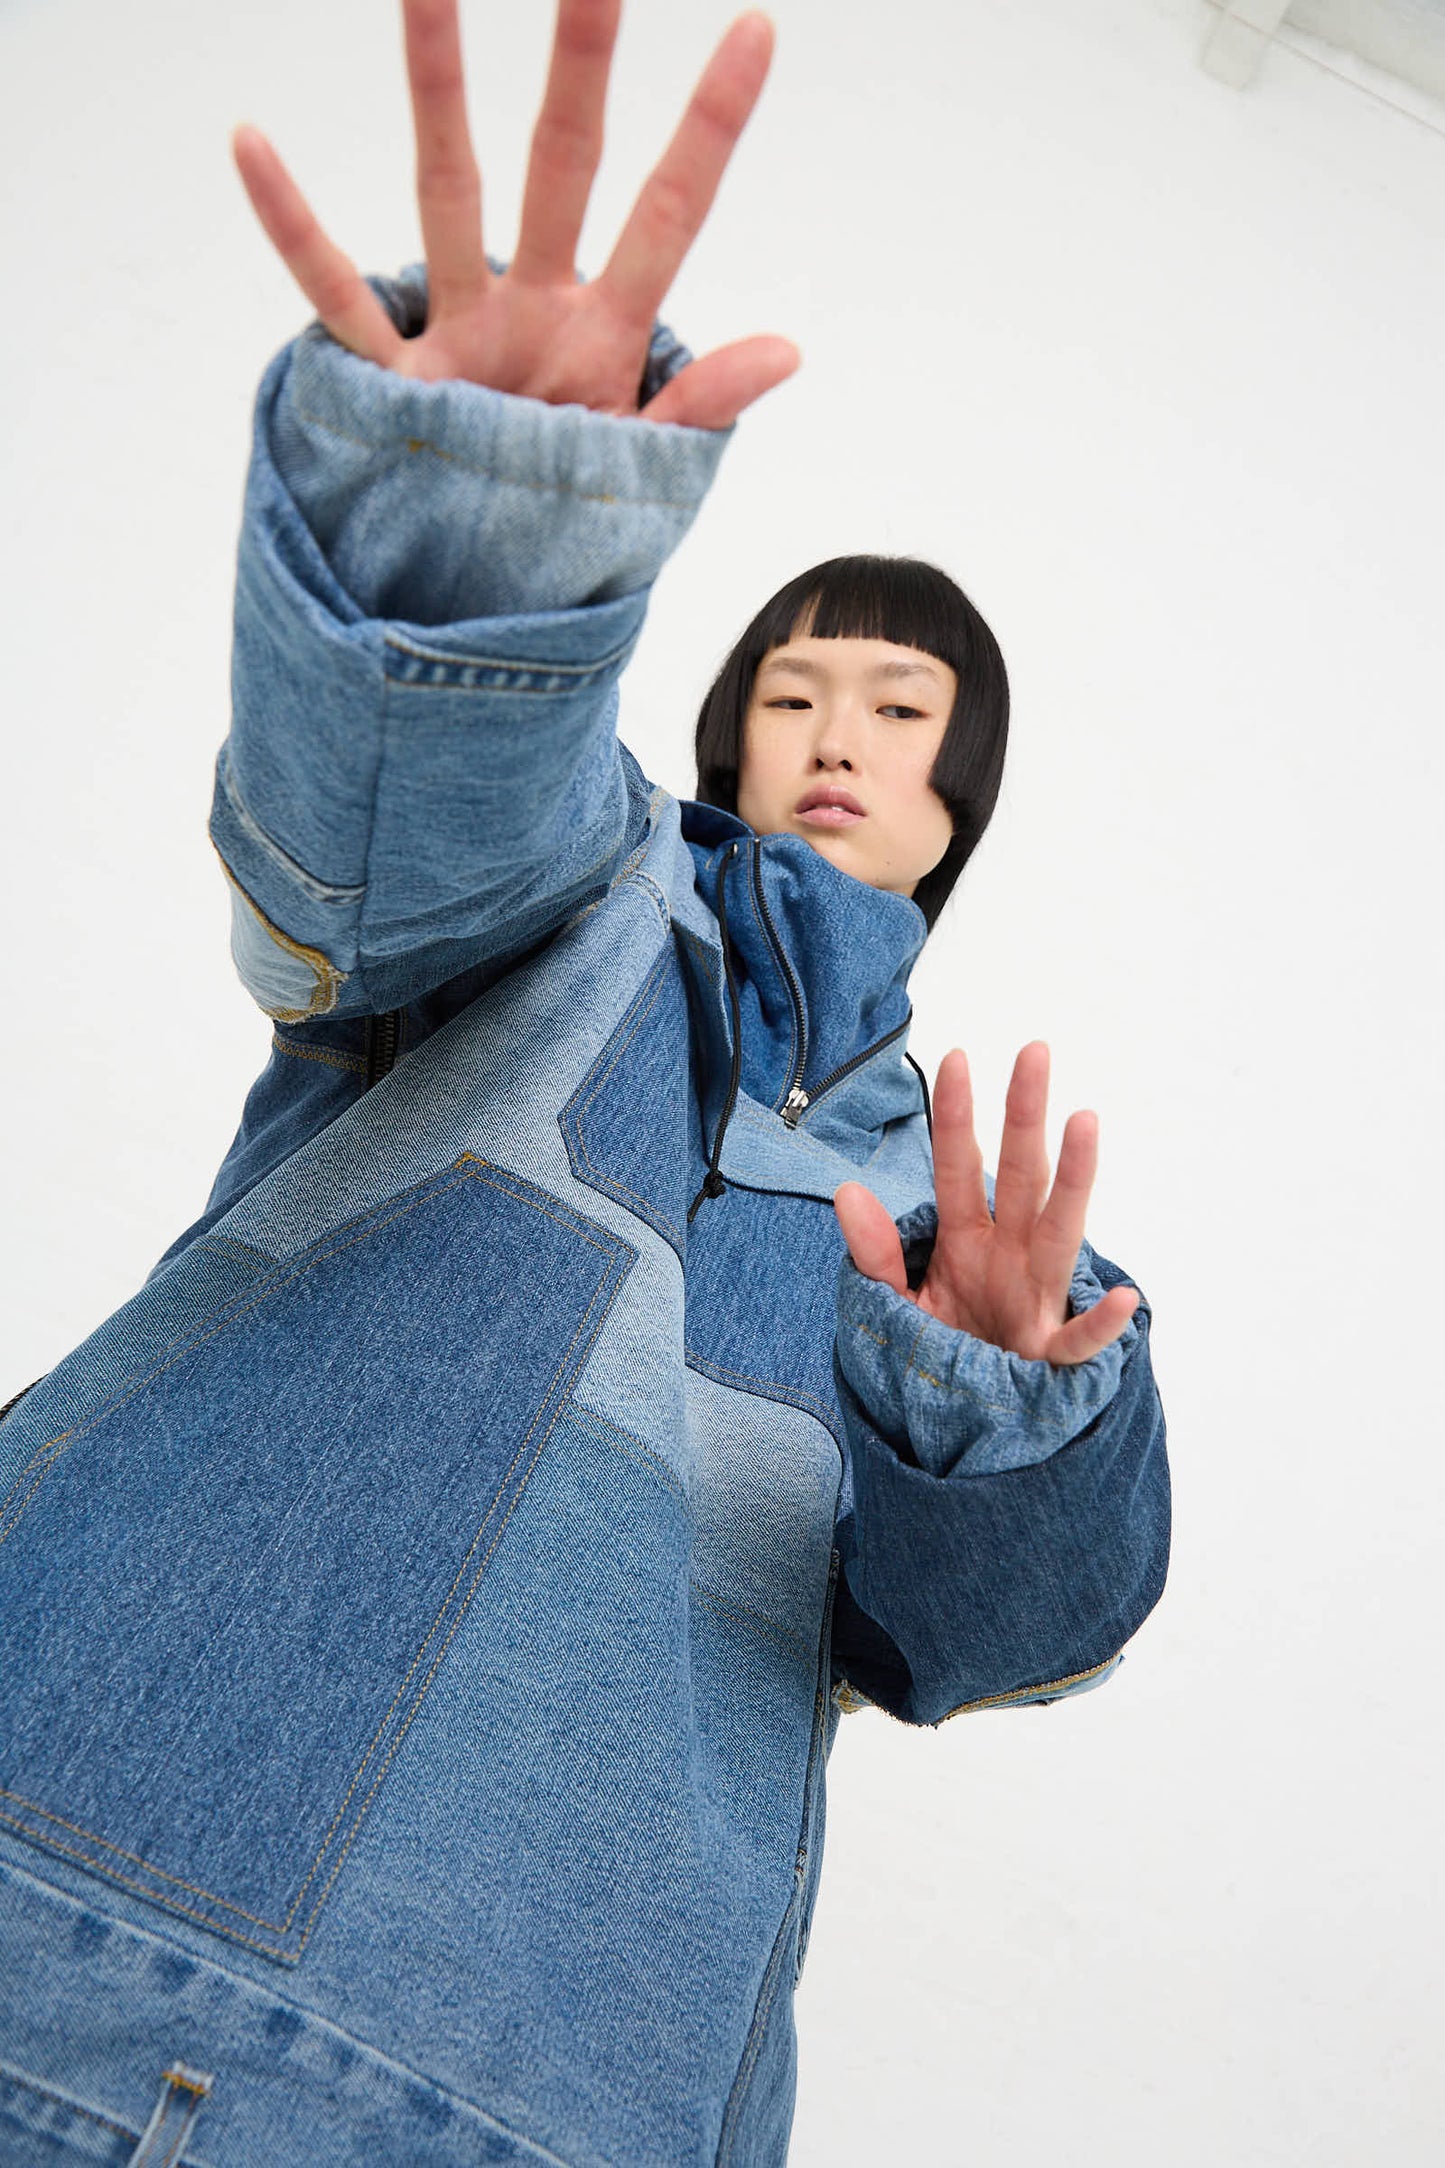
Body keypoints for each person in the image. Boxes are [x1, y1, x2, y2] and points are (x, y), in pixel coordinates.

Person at [0, 2, 1170, 2162]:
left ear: (961, 789)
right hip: (62, 1937)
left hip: (584, 2094)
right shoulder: (570, 891)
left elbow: (1002, 1637)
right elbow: (386, 832)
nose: (837, 728)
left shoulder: (968, 1230)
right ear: (720, 727)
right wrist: (478, 558)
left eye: (902, 705)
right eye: (796, 684)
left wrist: (995, 1417)